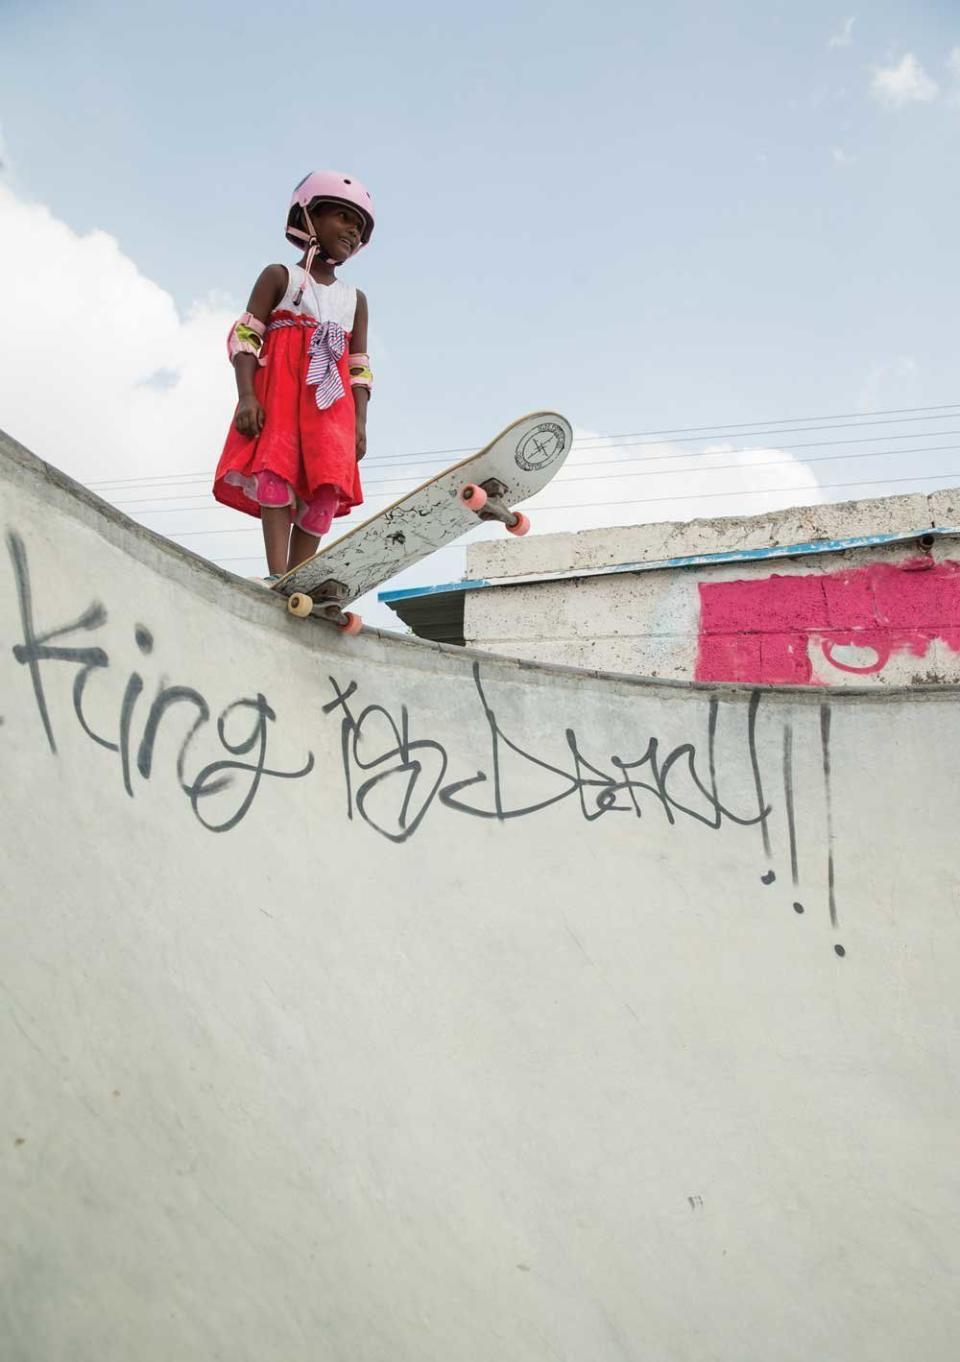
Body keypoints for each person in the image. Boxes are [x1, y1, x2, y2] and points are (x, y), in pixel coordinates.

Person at [213, 171, 375, 581]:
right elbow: (247, 336)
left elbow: (358, 367)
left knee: (325, 490)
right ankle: (277, 574)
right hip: (282, 393)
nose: (352, 232)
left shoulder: (355, 300)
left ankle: (300, 579)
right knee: (276, 473)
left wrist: (360, 422)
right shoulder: (279, 277)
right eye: (342, 217)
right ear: (308, 218)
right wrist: (246, 395)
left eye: (359, 228)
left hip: (330, 407)